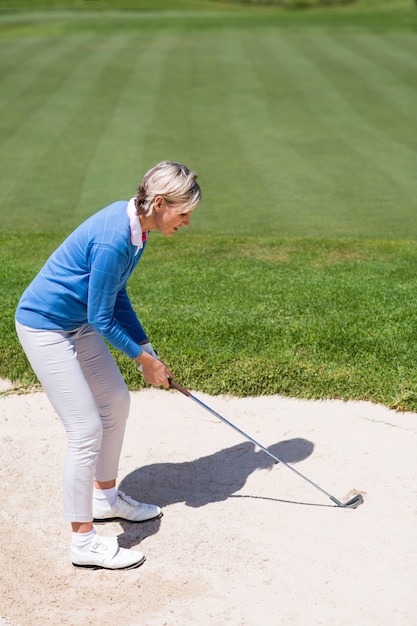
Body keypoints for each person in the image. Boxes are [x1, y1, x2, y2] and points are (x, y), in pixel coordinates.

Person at [15, 160, 202, 570]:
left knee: (116, 402)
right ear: (157, 202)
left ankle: (105, 498)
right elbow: (101, 318)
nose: (187, 222)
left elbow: (115, 297)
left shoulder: (139, 229)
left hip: (76, 323)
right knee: (85, 429)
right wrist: (141, 361)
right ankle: (82, 542)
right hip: (46, 327)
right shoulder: (115, 237)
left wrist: (146, 349)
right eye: (183, 213)